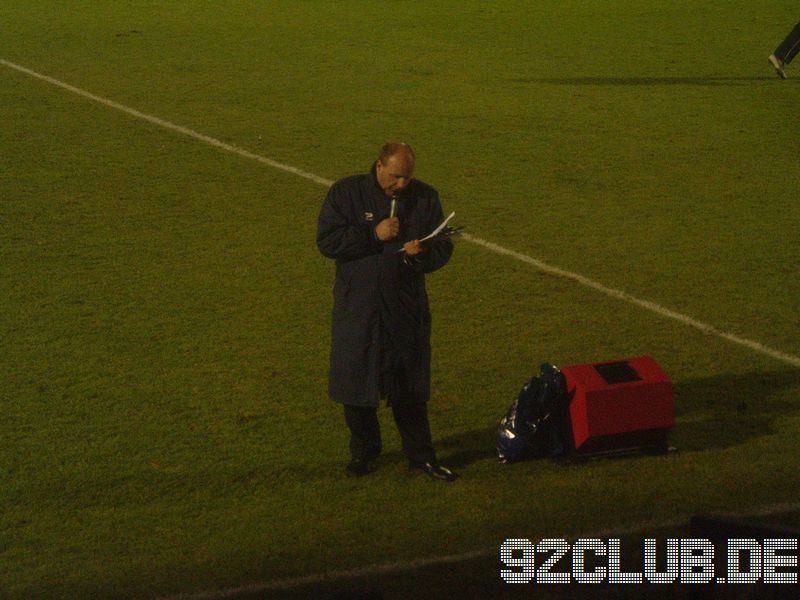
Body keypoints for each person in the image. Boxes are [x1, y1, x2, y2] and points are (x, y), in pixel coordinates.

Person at [316, 142, 458, 482]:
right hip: (359, 308)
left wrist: (418, 254)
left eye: (407, 177)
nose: (402, 185)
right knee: (356, 384)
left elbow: (442, 248)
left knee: (409, 387)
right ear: (379, 166)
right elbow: (327, 241)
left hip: (404, 308)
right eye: (396, 177)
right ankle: (364, 453)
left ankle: (421, 457)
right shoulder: (346, 193)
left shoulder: (425, 198)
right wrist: (372, 234)